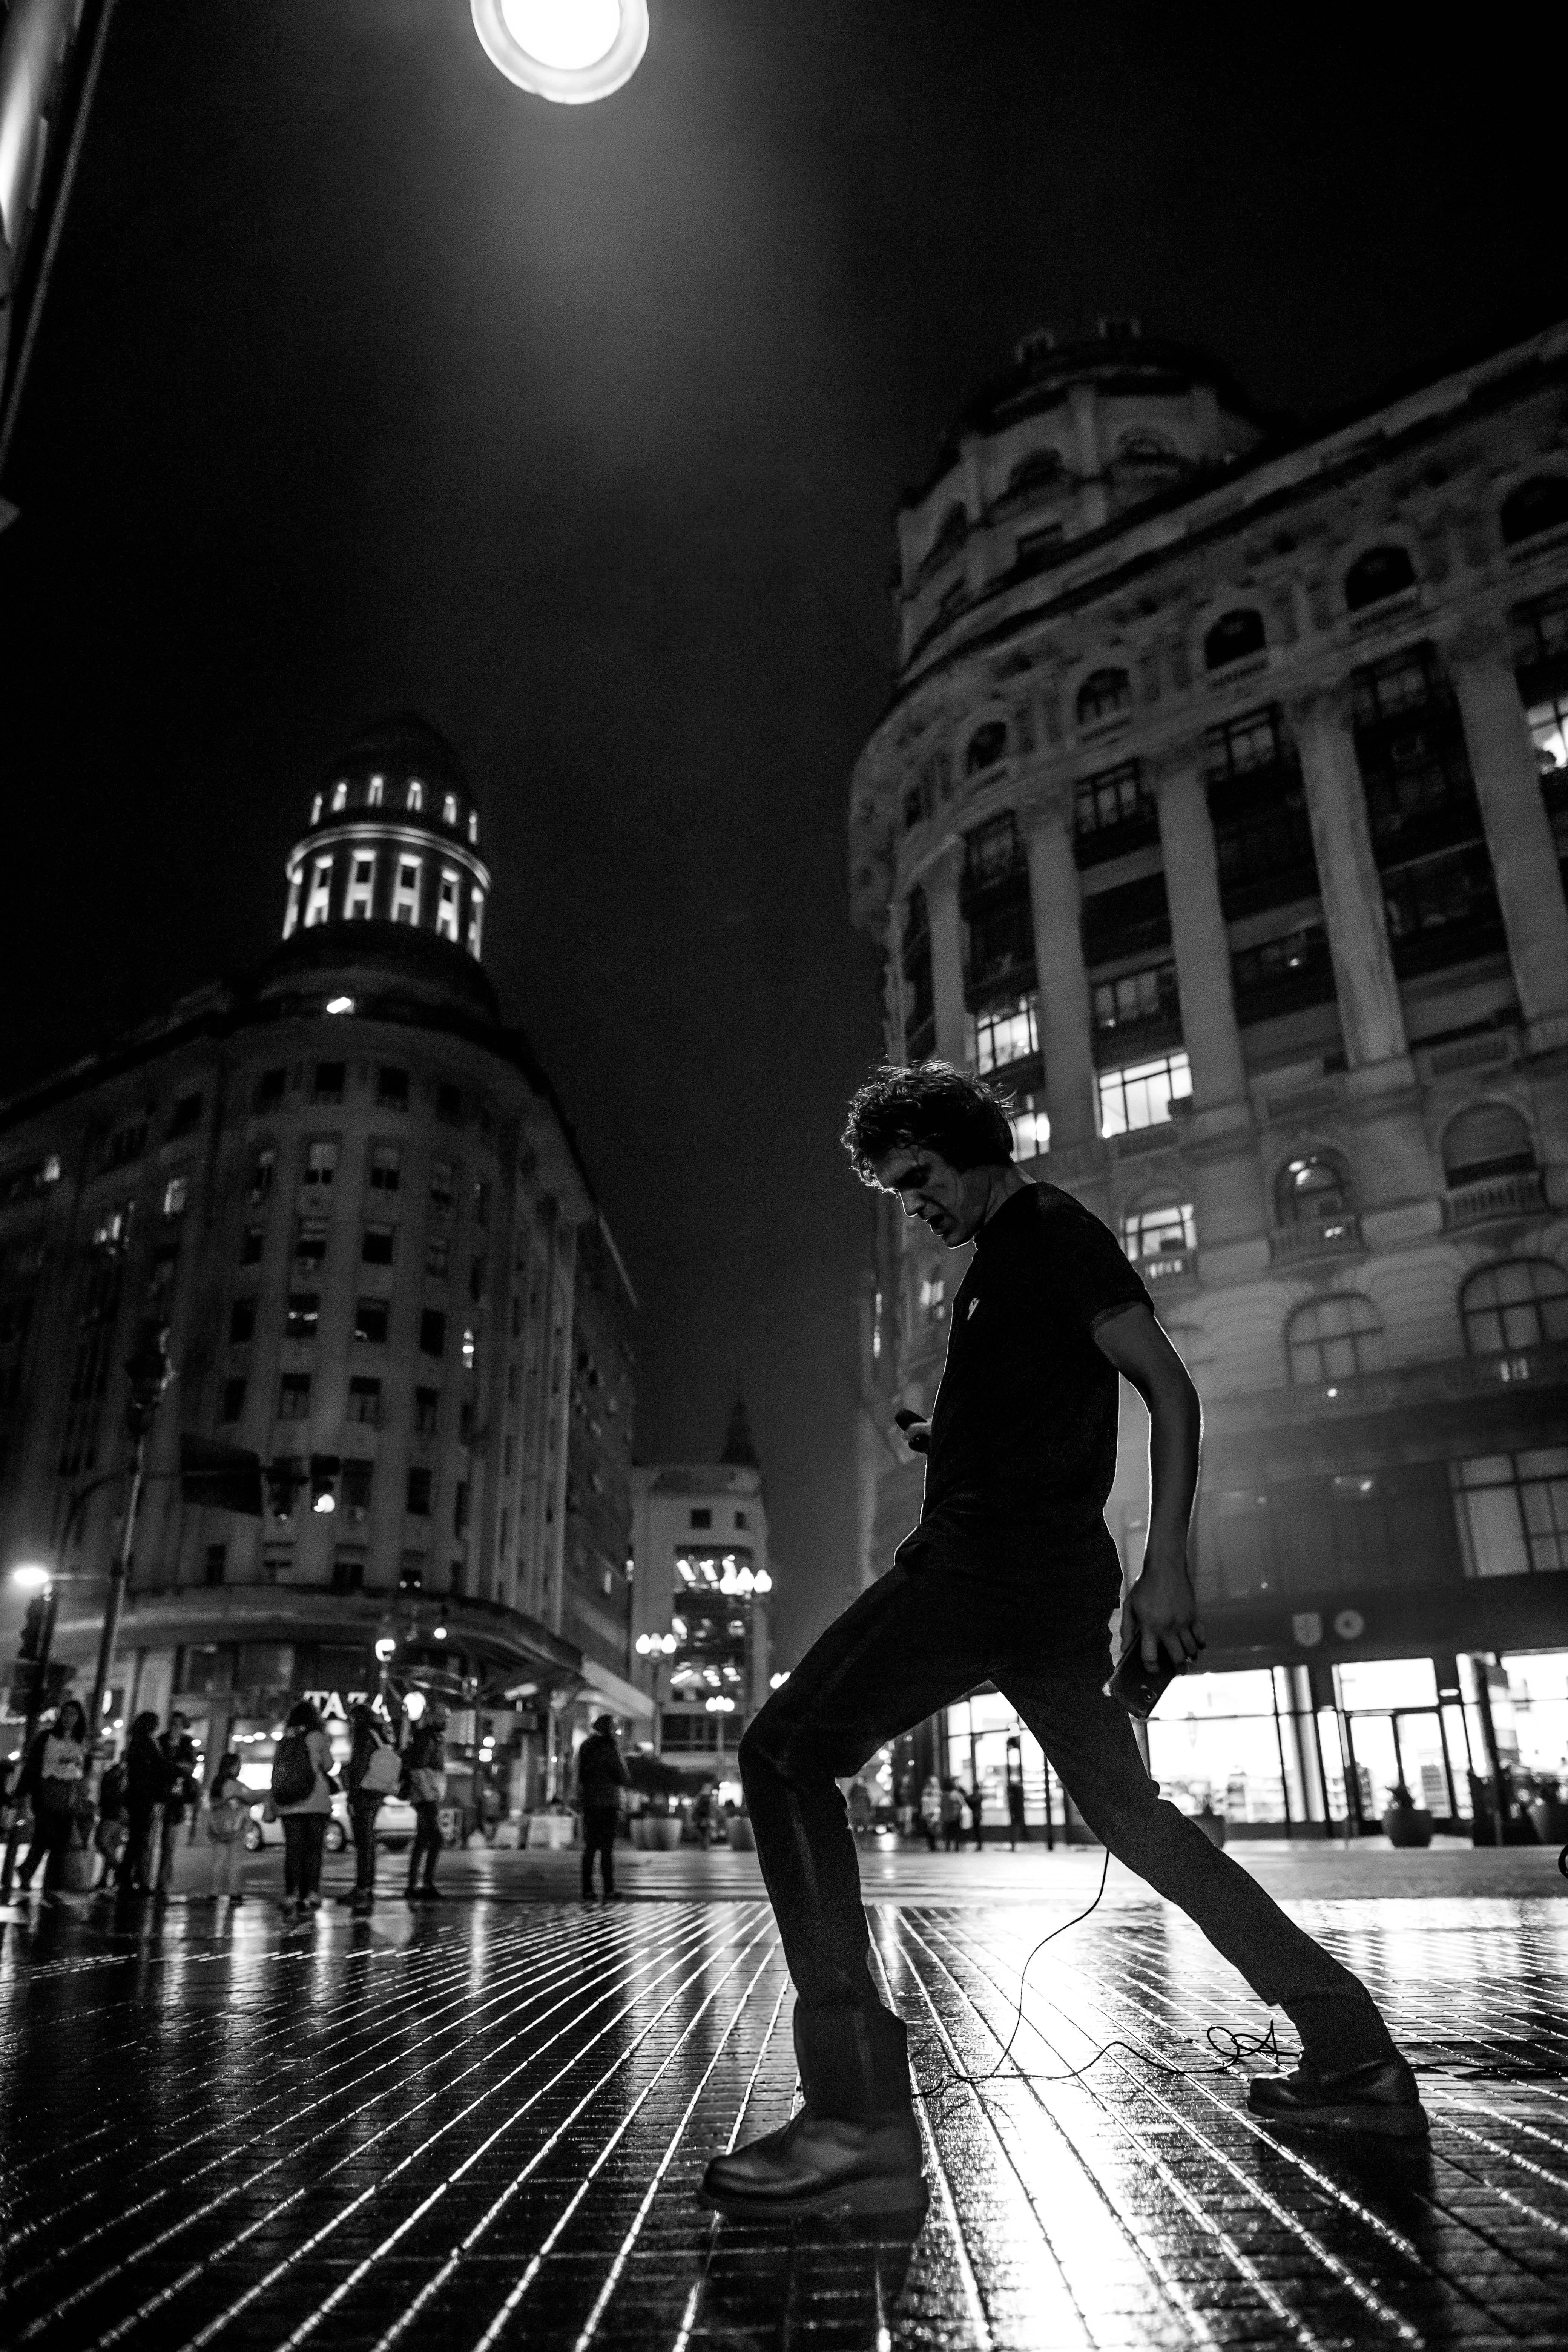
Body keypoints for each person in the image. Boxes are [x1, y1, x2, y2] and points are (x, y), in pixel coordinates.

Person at [703, 1063, 1427, 2220]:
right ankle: (1353, 2049)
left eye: (921, 1178)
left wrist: (1169, 1566)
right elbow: (1044, 1408)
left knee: (783, 1757)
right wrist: (948, 1432)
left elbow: (1169, 1392)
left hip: (992, 1574)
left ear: (970, 1143)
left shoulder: (1049, 1231)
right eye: (898, 1193)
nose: (915, 1205)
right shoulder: (996, 1269)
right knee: (1132, 1820)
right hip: (1032, 1581)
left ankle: (854, 2117)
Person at [16, 1697, 90, 1894]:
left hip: (70, 1792)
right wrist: (21, 1792)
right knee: (46, 1834)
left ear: (79, 1718)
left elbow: (84, 1770)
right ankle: (29, 1871)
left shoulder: (80, 1741)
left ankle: (47, 1882)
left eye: (73, 1714)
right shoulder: (47, 1737)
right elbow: (33, 1765)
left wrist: (79, 1766)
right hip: (47, 1790)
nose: (69, 1718)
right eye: (66, 1713)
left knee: (60, 1841)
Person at [271, 1698, 334, 1917]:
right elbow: (329, 1765)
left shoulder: (285, 1739)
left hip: (289, 1804)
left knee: (293, 1850)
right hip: (315, 1802)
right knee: (313, 1849)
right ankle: (312, 1893)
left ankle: (291, 1893)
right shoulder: (318, 1737)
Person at [342, 1701, 398, 1914]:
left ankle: (363, 1888)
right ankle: (367, 1887)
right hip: (376, 1793)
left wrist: (352, 1797)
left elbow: (359, 1768)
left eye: (352, 1720)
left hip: (364, 1794)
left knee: (363, 1841)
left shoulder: (364, 1736)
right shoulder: (379, 1734)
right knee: (368, 1841)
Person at [575, 1712, 629, 1899]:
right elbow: (622, 1775)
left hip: (590, 1801)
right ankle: (609, 1889)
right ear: (609, 1729)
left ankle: (587, 1889)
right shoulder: (610, 1747)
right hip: (607, 1802)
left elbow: (581, 1774)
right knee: (606, 1849)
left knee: (590, 1847)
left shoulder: (586, 1746)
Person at [117, 1712, 171, 1895]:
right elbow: (154, 1770)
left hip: (137, 1797)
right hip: (144, 1797)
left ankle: (128, 1877)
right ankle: (132, 1878)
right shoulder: (146, 1743)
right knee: (140, 1839)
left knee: (136, 1839)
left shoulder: (136, 1742)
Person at [402, 1708, 448, 1902]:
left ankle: (415, 1885)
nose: (445, 1720)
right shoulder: (428, 1739)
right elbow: (418, 1769)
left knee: (423, 1839)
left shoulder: (433, 1738)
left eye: (446, 1717)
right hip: (425, 1798)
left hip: (428, 1796)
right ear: (433, 1718)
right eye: (442, 1717)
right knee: (435, 1838)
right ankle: (424, 1884)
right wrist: (430, 1795)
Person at [154, 1710, 199, 1897]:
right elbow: (158, 1765)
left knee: (169, 1842)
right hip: (159, 1794)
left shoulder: (187, 1744)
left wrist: (175, 1767)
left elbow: (190, 1767)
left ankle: (162, 1881)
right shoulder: (161, 1741)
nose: (175, 1728)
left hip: (176, 1798)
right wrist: (175, 1767)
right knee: (151, 1839)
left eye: (178, 1724)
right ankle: (145, 1880)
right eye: (173, 1724)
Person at [206, 1749, 252, 1902]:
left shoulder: (216, 1785)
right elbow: (247, 1801)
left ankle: (214, 1892)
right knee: (235, 1862)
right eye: (239, 1765)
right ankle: (234, 1892)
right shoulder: (236, 1786)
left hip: (217, 1828)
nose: (240, 1768)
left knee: (217, 1862)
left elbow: (212, 1805)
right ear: (233, 1767)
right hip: (235, 1828)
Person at [939, 1778, 964, 1852]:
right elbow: (962, 1804)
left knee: (948, 1833)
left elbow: (941, 1806)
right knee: (956, 1833)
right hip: (955, 1816)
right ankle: (956, 1847)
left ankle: (948, 1847)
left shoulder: (943, 1795)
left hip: (947, 1817)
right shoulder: (956, 1794)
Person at [917, 1775, 940, 1853]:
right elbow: (923, 1802)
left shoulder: (938, 1791)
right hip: (928, 1812)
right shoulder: (926, 1791)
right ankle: (932, 1845)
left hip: (936, 1812)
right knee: (930, 1828)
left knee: (935, 1829)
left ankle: (934, 1845)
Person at [1006, 1775, 1027, 1852]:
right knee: (1014, 1829)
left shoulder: (1015, 1794)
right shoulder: (1018, 1793)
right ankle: (1013, 1844)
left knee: (1014, 1829)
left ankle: (1013, 1844)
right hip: (1017, 1814)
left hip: (1016, 1814)